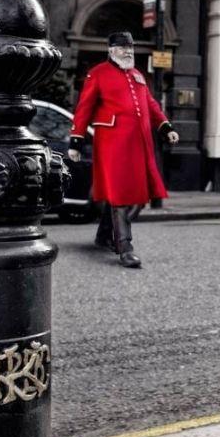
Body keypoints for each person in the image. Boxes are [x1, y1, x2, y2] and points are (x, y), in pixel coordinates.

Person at [69, 32, 179, 268]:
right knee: (119, 192)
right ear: (111, 50)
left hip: (139, 142)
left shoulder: (137, 74)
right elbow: (84, 107)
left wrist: (165, 125)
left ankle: (104, 235)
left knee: (140, 194)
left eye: (130, 47)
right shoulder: (97, 74)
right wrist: (76, 139)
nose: (128, 52)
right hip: (112, 142)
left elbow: (150, 104)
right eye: (122, 48)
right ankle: (124, 246)